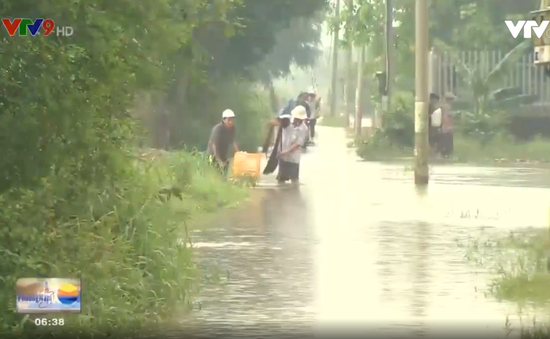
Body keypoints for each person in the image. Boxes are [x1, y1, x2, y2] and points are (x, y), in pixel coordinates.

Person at [277, 105, 308, 185]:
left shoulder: (303, 128)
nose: (298, 121)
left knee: (294, 178)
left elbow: (298, 143)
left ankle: (294, 194)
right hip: (283, 154)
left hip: (294, 157)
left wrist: (287, 151)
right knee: (281, 179)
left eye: (300, 119)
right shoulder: (287, 123)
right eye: (297, 118)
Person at [206, 109, 239, 175]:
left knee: (223, 174)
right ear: (224, 120)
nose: (231, 122)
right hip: (213, 155)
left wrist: (239, 153)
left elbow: (233, 141)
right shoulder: (218, 129)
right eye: (229, 120)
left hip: (223, 154)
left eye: (232, 120)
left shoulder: (232, 129)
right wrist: (219, 160)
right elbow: (214, 145)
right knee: (215, 173)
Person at [438, 92, 456, 157]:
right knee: (446, 141)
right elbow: (446, 117)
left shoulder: (443, 106)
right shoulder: (446, 107)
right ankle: (444, 154)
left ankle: (444, 153)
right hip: (446, 127)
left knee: (445, 140)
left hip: (445, 126)